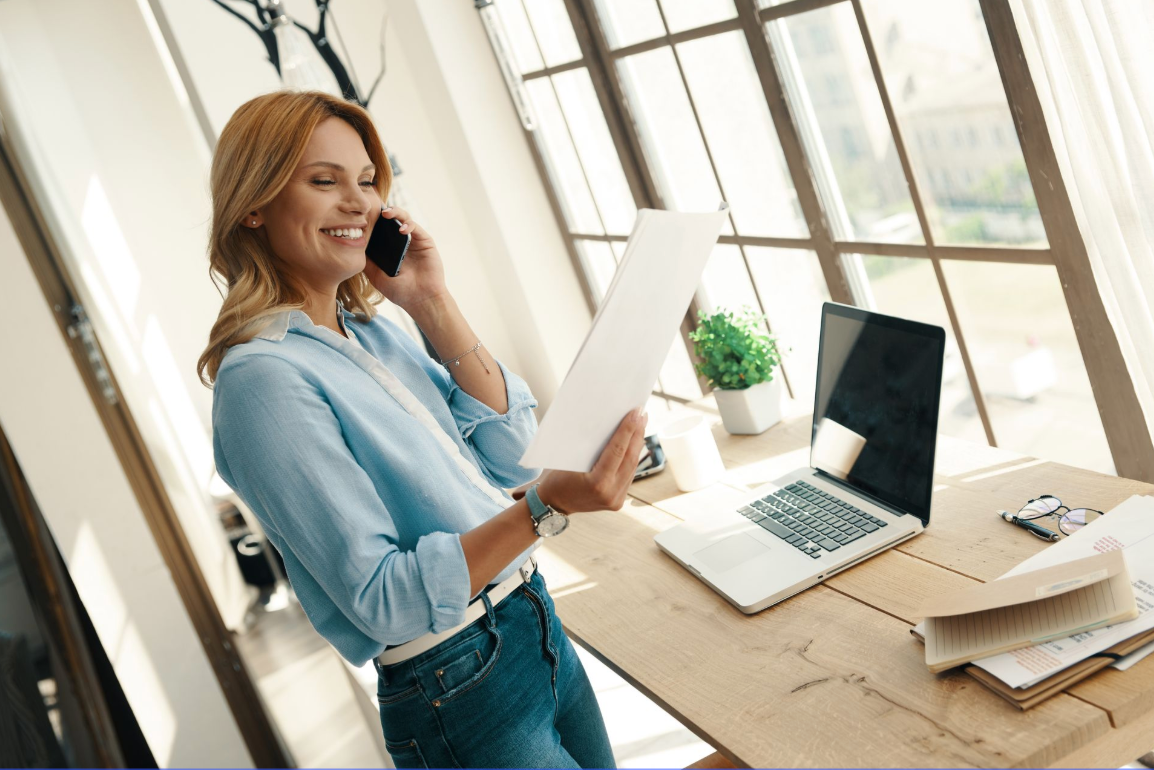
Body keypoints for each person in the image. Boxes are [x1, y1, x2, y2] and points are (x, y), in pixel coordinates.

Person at [198, 89, 646, 769]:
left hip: (531, 621)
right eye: (325, 181)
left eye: (369, 182)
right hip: (455, 682)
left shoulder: (374, 331)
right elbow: (385, 599)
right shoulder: (263, 381)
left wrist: (433, 303)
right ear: (253, 204)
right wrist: (544, 509)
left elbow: (510, 457)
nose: (359, 202)